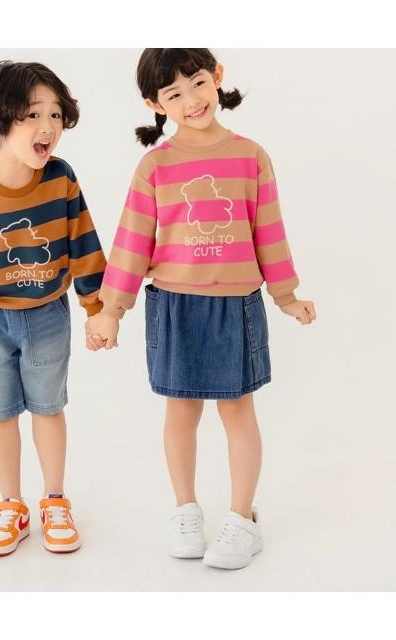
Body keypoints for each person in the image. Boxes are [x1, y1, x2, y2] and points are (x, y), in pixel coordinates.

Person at [86, 48, 316, 570]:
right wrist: (111, 309)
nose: (191, 100)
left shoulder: (251, 157)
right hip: (174, 305)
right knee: (180, 411)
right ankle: (185, 510)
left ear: (217, 77)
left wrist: (286, 296)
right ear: (155, 104)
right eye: (174, 93)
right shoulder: (155, 166)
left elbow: (269, 232)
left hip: (236, 305)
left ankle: (242, 518)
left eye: (196, 83)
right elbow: (132, 241)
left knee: (238, 411)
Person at [0, 60, 106, 556]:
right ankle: (11, 505)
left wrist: (96, 306)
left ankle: (55, 499)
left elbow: (83, 242)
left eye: (55, 114)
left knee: (49, 409)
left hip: (48, 314)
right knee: (0, 412)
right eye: (33, 114)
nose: (47, 126)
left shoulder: (61, 179)